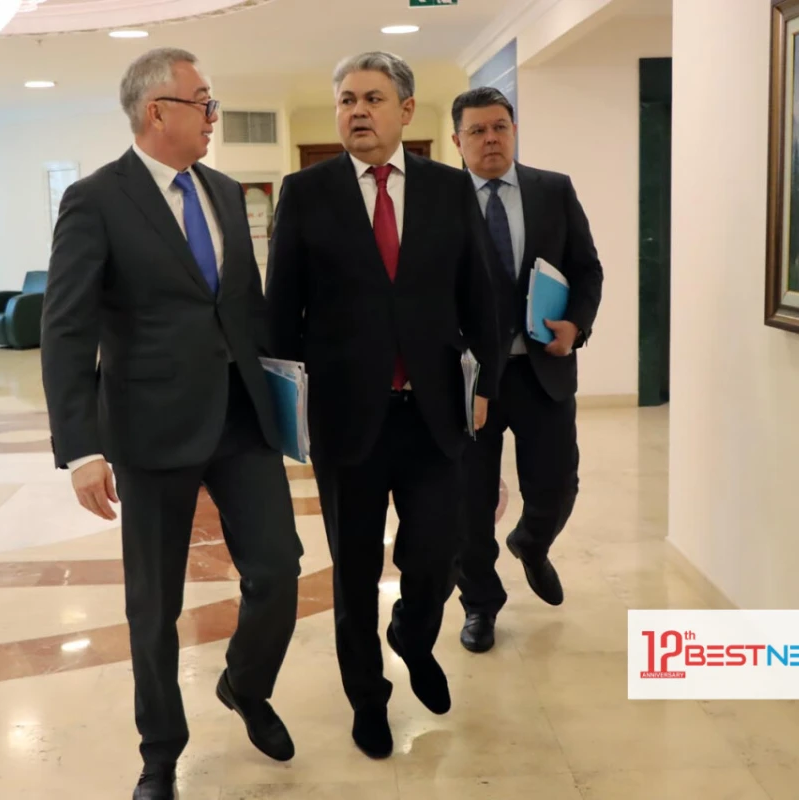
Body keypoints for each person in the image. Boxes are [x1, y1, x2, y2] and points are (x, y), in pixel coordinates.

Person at [40, 47, 303, 800]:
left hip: (242, 418)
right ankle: (161, 751)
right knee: (154, 605)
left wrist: (289, 394)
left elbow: (243, 306)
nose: (214, 115)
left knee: (277, 569)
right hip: (150, 429)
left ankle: (245, 685)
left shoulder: (224, 191)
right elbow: (66, 329)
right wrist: (81, 448)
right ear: (158, 111)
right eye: (204, 101)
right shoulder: (96, 199)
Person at [265, 52, 503, 760]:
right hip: (346, 421)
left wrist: (486, 386)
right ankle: (367, 699)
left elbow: (480, 295)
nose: (357, 111)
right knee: (355, 570)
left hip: (433, 413)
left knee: (434, 554)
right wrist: (289, 413)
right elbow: (281, 314)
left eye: (372, 98)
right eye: (346, 100)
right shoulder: (305, 193)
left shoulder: (447, 188)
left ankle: (414, 635)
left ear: (405, 109)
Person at [449, 87, 603, 654]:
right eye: (477, 130)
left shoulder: (553, 190)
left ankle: (532, 544)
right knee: (468, 501)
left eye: (500, 127)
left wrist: (576, 326)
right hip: (470, 381)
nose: (491, 139)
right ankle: (479, 604)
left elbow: (587, 270)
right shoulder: (440, 200)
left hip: (543, 371)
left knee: (558, 485)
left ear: (513, 130)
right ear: (457, 140)